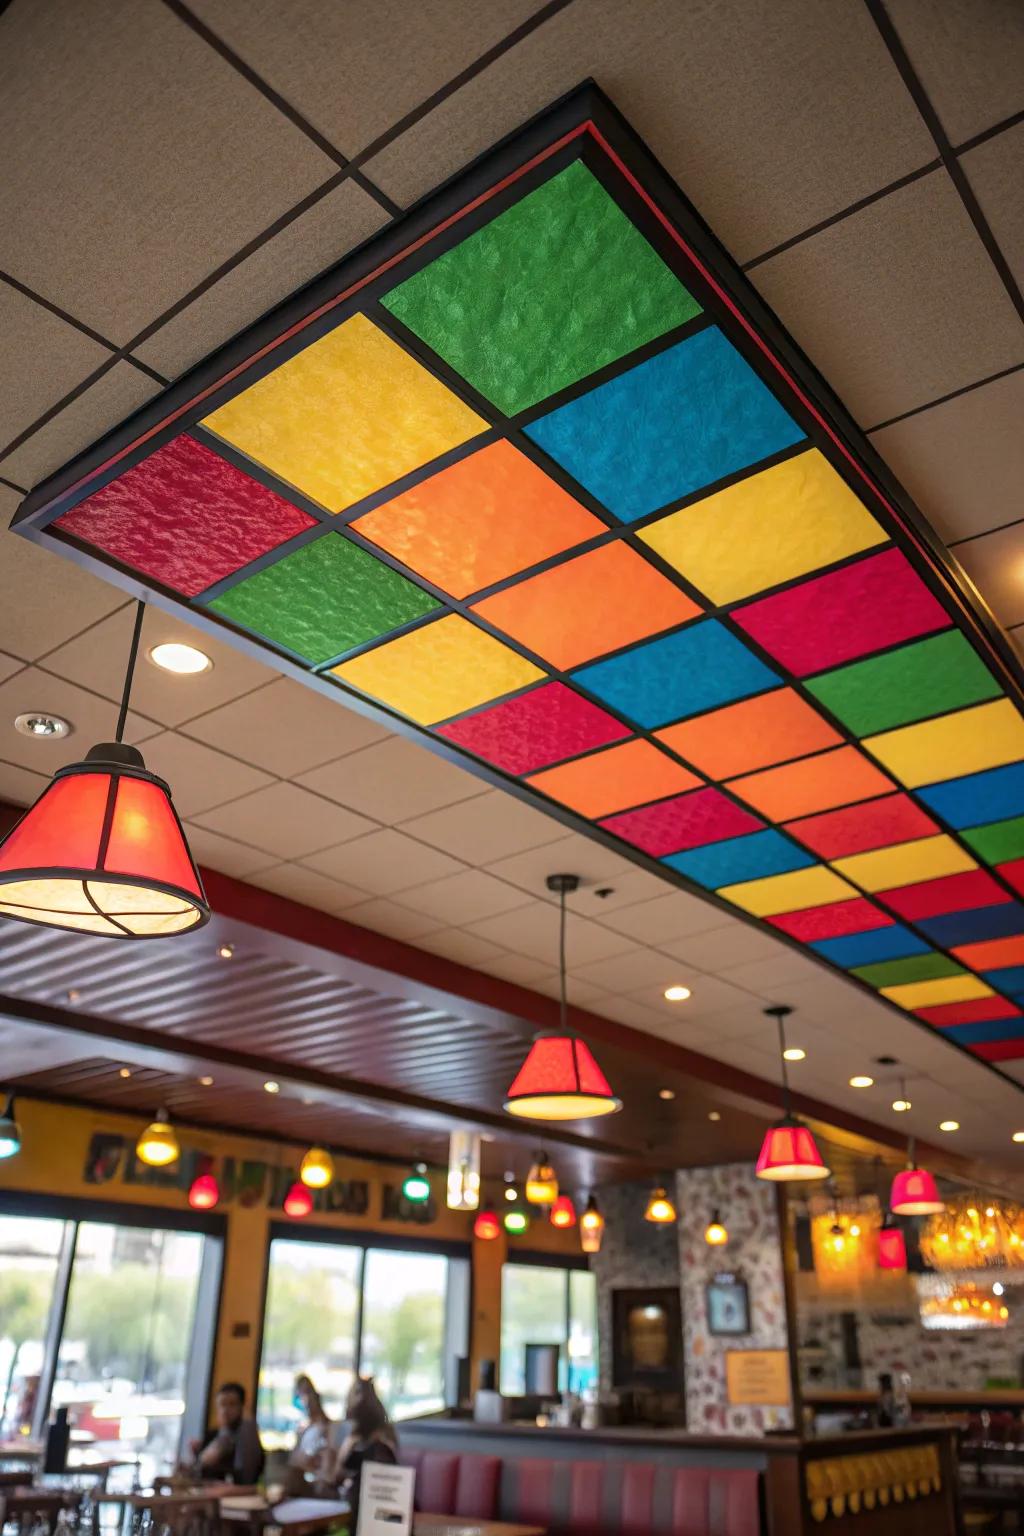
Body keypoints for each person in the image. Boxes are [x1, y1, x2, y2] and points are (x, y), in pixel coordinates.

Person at [332, 1378, 397, 1513]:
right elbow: (337, 1476)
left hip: (380, 1497)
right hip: (356, 1498)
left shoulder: (382, 1438)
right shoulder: (351, 1437)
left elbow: (387, 1471)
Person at [188, 1381, 265, 1485]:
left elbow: (245, 1479)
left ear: (242, 1407)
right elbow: (198, 1471)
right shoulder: (212, 1436)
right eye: (222, 1404)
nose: (225, 1410)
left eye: (232, 1404)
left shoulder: (247, 1432)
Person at [283, 1374, 333, 1494]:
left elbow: (326, 1459)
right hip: (300, 1475)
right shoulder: (303, 1428)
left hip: (315, 1477)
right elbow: (294, 1458)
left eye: (307, 1393)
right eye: (300, 1395)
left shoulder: (325, 1426)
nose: (305, 1400)